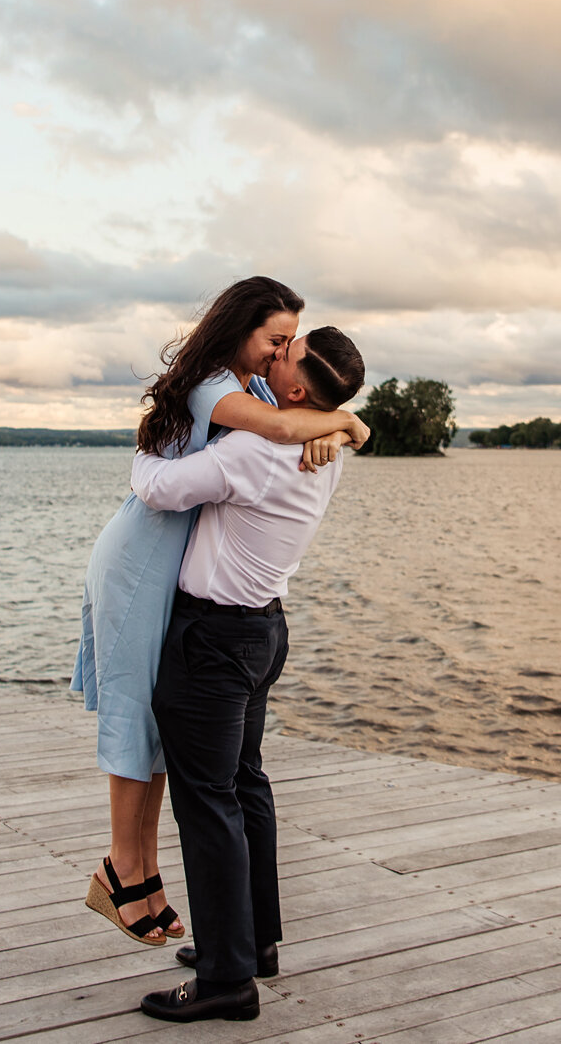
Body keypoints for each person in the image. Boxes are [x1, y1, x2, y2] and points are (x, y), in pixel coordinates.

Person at [72, 279, 369, 947]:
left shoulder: (261, 385)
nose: (282, 350)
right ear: (240, 329)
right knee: (133, 708)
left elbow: (294, 414)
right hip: (143, 551)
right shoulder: (214, 382)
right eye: (277, 338)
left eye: (289, 341)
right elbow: (283, 427)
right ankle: (125, 871)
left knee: (160, 719)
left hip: (177, 556)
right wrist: (343, 420)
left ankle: (142, 874)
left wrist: (334, 422)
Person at [128, 326, 366, 1023]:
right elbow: (318, 418)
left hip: (215, 638)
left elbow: (158, 488)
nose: (268, 356)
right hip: (263, 631)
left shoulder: (255, 448)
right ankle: (254, 941)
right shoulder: (322, 445)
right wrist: (344, 421)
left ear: (294, 390)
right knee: (244, 784)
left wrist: (149, 446)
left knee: (207, 802)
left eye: (281, 354)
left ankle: (227, 977)